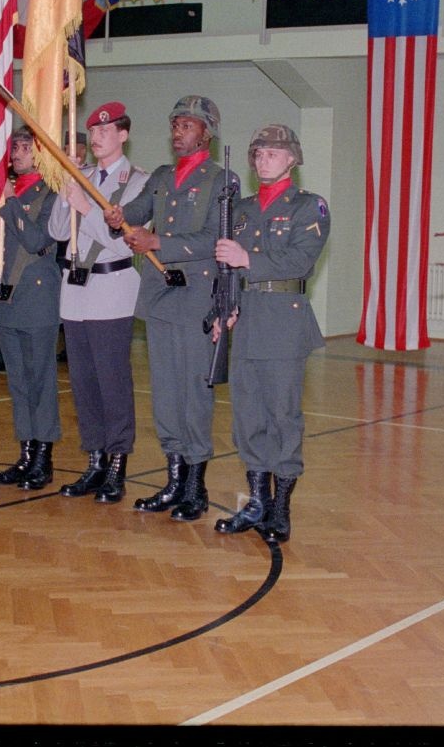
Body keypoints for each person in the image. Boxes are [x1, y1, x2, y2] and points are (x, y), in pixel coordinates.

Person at [104, 95, 228, 523]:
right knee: (166, 395)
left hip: (195, 296)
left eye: (187, 125)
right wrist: (118, 214)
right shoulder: (160, 176)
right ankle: (173, 479)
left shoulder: (221, 180)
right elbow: (136, 214)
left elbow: (217, 239)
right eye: (175, 124)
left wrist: (160, 243)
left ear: (206, 133)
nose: (178, 132)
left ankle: (196, 485)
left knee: (194, 393)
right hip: (159, 296)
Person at [211, 125, 329, 544]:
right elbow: (225, 272)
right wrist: (220, 310)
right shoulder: (239, 209)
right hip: (245, 322)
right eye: (259, 153)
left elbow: (299, 260)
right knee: (247, 417)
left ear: (292, 160)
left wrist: (248, 257)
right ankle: (258, 501)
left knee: (282, 417)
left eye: (274, 154)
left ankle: (281, 508)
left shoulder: (308, 207)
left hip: (282, 320)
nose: (264, 160)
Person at [48, 102, 147, 503]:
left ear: (123, 134)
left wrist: (87, 206)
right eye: (93, 130)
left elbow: (121, 239)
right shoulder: (82, 175)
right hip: (74, 291)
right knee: (84, 384)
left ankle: (118, 462)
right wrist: (65, 188)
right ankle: (94, 460)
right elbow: (56, 230)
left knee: (112, 382)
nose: (97, 136)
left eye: (106, 130)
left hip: (112, 289)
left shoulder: (136, 182)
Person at [0, 127, 63, 490]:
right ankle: (26, 454)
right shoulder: (6, 191)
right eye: (13, 147)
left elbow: (36, 240)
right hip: (6, 301)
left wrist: (11, 202)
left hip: (36, 299)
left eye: (23, 148)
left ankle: (44, 458)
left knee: (40, 383)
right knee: (18, 384)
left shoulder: (51, 194)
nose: (15, 153)